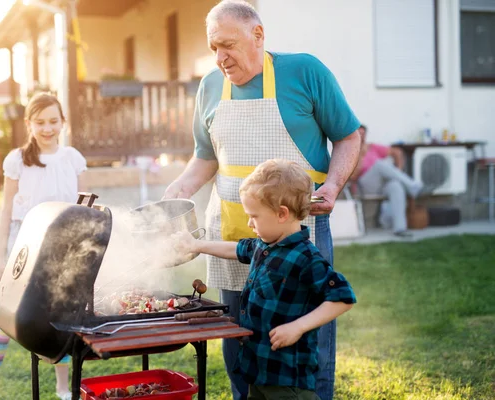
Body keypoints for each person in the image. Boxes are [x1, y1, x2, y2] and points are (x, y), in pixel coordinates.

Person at [162, 1, 361, 399]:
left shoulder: (305, 72)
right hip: (233, 230)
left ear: (258, 35)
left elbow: (348, 136)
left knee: (306, 335)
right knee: (238, 336)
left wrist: (333, 186)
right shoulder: (210, 87)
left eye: (228, 45)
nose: (220, 58)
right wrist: (181, 187)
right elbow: (206, 157)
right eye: (213, 47)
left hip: (297, 232)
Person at [173, 159, 356, 400]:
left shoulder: (307, 258)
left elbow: (343, 297)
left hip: (288, 381)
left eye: (254, 216)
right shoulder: (265, 245)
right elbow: (236, 249)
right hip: (258, 371)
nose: (249, 223)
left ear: (282, 214)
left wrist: (298, 327)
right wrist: (196, 245)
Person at [0, 93, 88, 400]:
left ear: (63, 122)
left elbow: (82, 208)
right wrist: (0, 258)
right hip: (23, 250)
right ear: (29, 124)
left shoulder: (73, 159)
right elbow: (6, 211)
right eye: (40, 122)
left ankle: (62, 387)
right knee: (6, 321)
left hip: (62, 252)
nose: (47, 128)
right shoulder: (17, 160)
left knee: (58, 322)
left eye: (53, 121)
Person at [350, 125, 430, 237]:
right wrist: (359, 158)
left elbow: (397, 152)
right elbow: (352, 177)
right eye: (359, 133)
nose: (362, 136)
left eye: (364, 134)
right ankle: (413, 186)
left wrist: (397, 171)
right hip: (363, 186)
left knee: (395, 185)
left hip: (381, 186)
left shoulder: (372, 147)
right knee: (379, 165)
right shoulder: (350, 150)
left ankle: (400, 229)